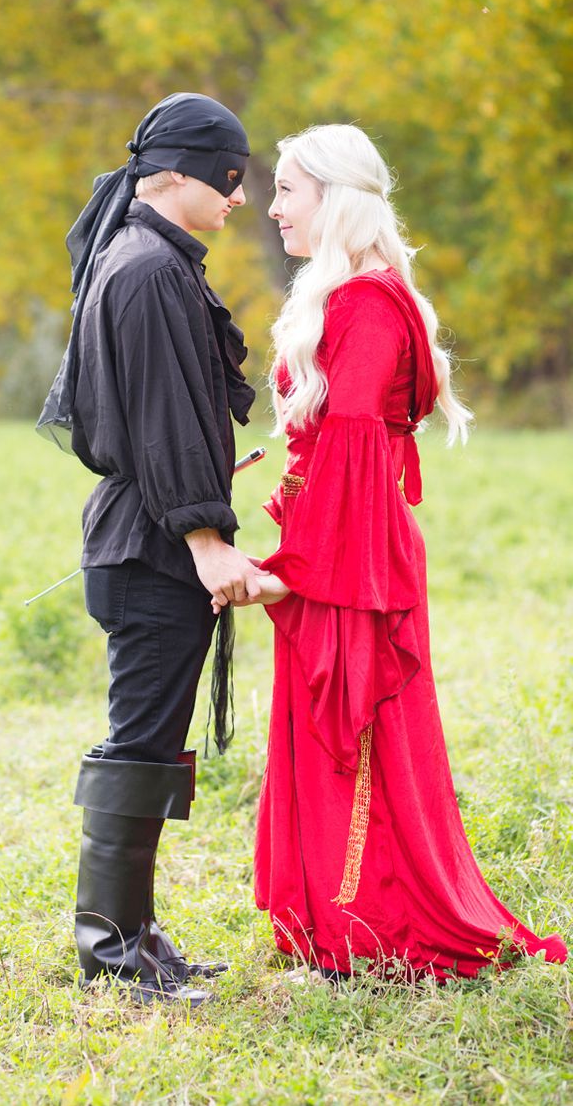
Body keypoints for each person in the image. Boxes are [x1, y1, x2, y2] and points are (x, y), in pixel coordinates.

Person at [236, 124, 568, 981]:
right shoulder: (360, 297)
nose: (272, 209)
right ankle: (337, 914)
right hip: (346, 539)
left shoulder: (366, 304)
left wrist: (289, 571)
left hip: (352, 555)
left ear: (336, 199)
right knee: (330, 731)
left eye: (287, 191)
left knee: (353, 731)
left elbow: (351, 438)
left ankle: (369, 920)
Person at [36, 93, 262, 1005]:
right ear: (176, 170)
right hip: (152, 549)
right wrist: (206, 536)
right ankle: (110, 950)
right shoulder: (147, 269)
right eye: (230, 178)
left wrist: (208, 475)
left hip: (145, 535)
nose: (240, 197)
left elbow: (160, 419)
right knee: (138, 745)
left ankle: (135, 934)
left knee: (152, 743)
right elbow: (164, 420)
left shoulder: (147, 257)